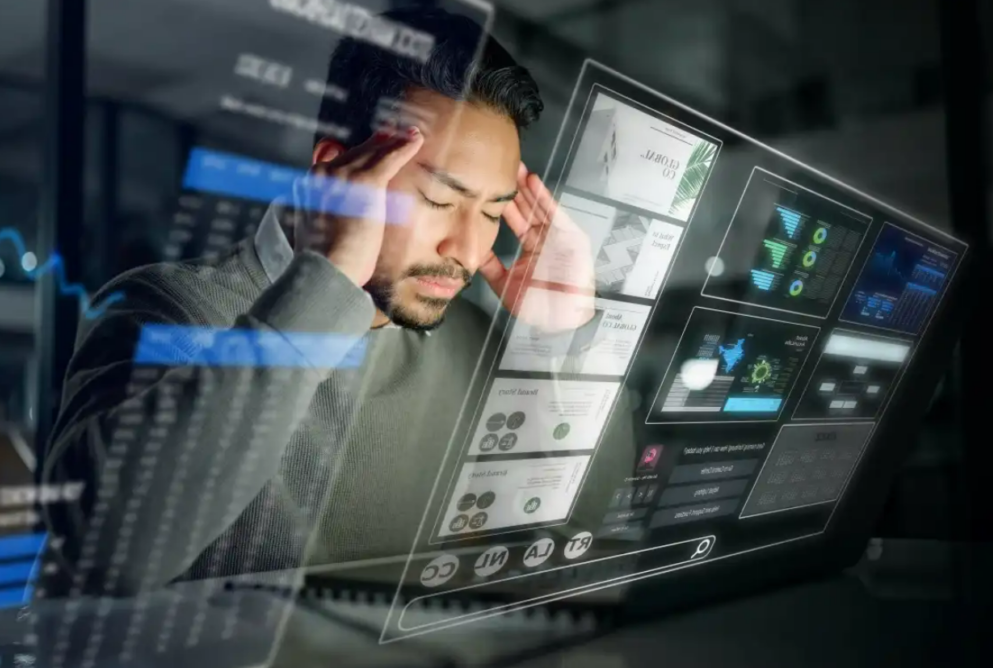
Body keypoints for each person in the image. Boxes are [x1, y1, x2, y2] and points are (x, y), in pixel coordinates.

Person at [41, 6, 595, 596]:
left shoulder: (474, 344)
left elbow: (588, 537)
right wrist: (327, 280)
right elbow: (106, 551)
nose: (466, 247)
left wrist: (566, 345)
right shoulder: (167, 307)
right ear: (336, 170)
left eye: (491, 213)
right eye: (438, 200)